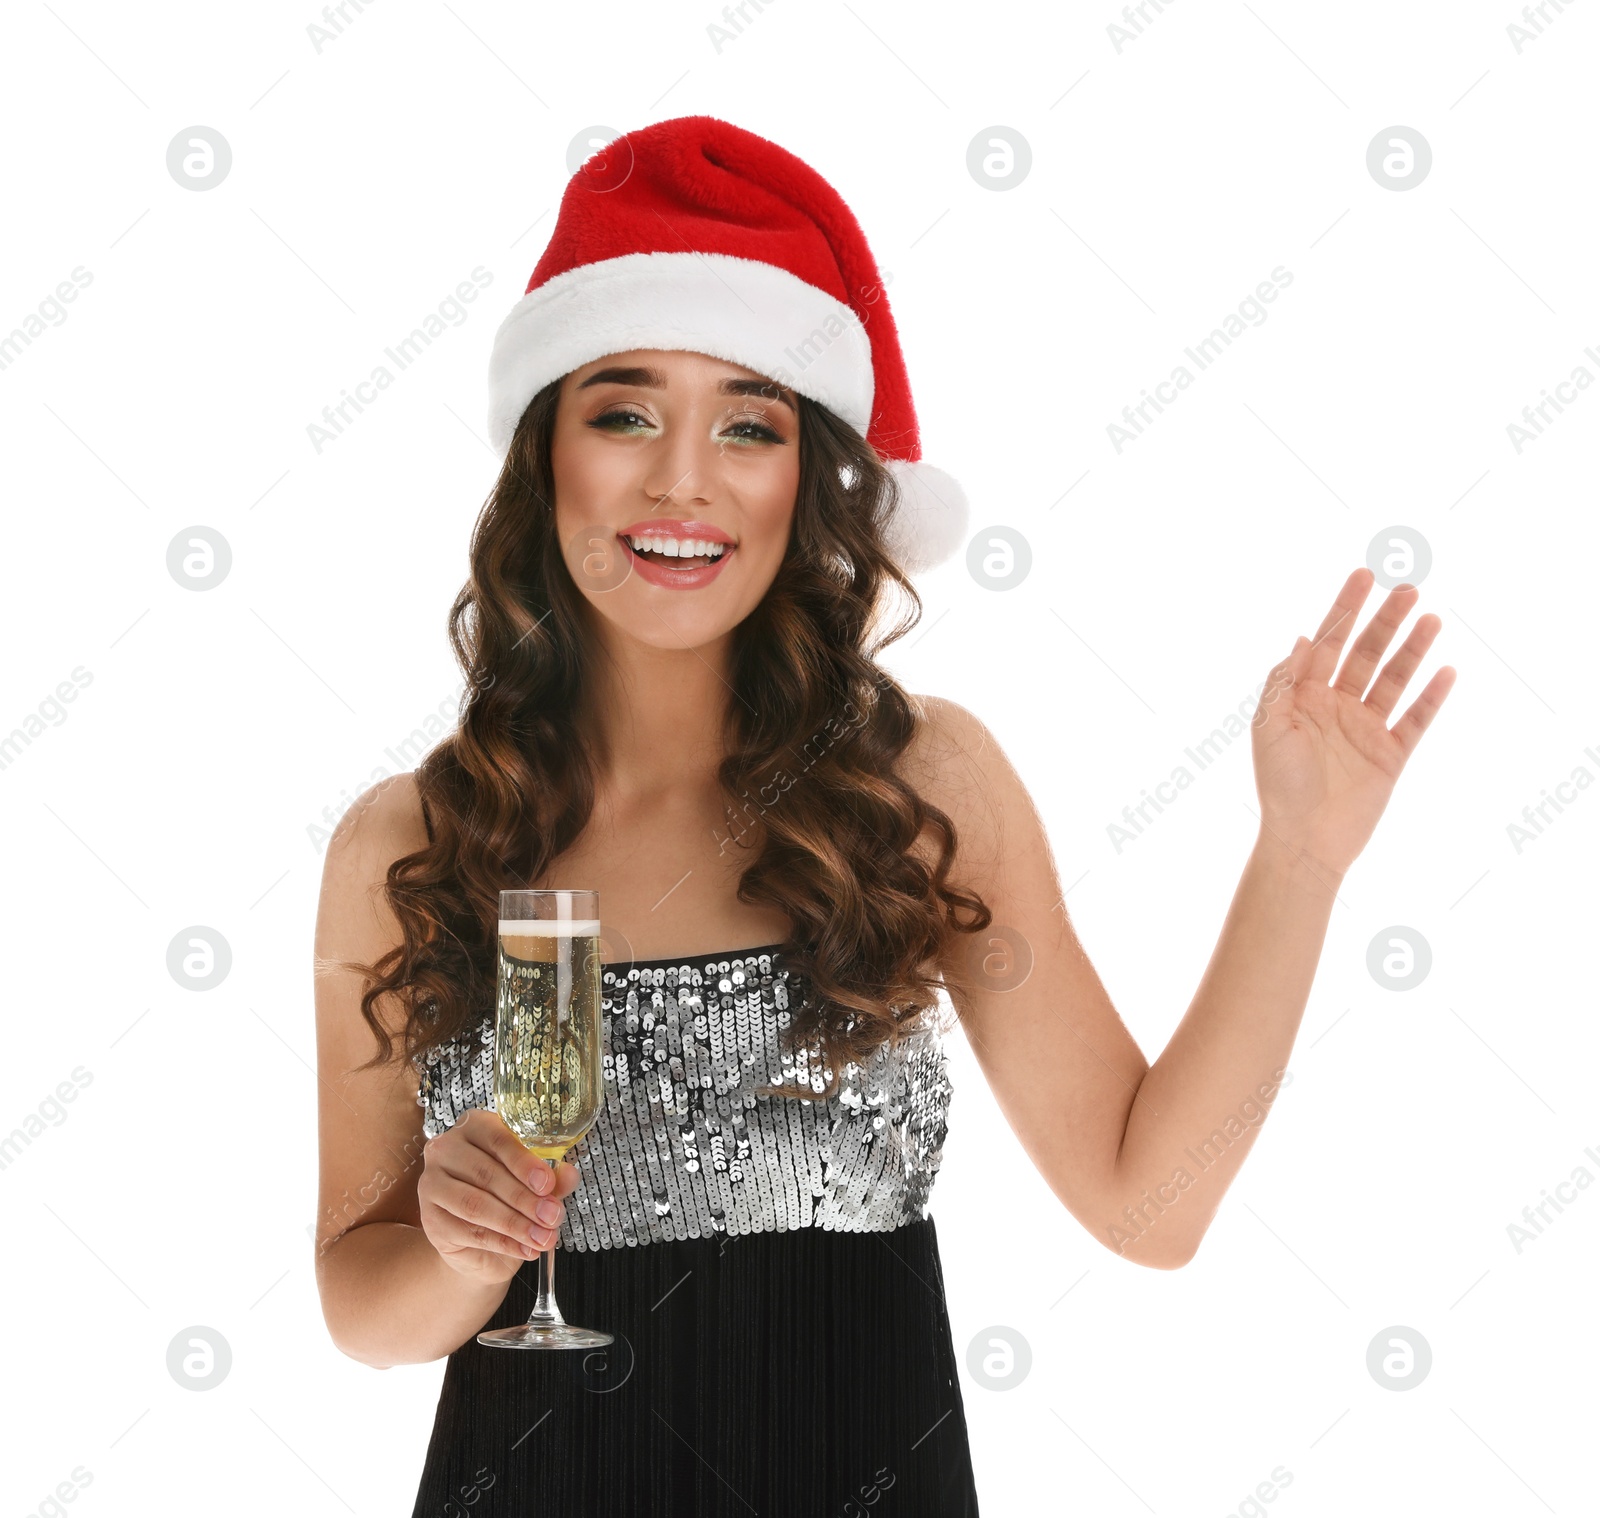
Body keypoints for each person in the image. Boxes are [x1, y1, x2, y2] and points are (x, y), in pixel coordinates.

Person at [312, 115, 1455, 1517]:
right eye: (623, 409)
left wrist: (1301, 859)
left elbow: (1148, 1202)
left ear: (809, 477)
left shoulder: (917, 788)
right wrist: (462, 1241)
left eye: (749, 422)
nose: (683, 478)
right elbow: (361, 1306)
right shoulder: (412, 842)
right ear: (545, 451)